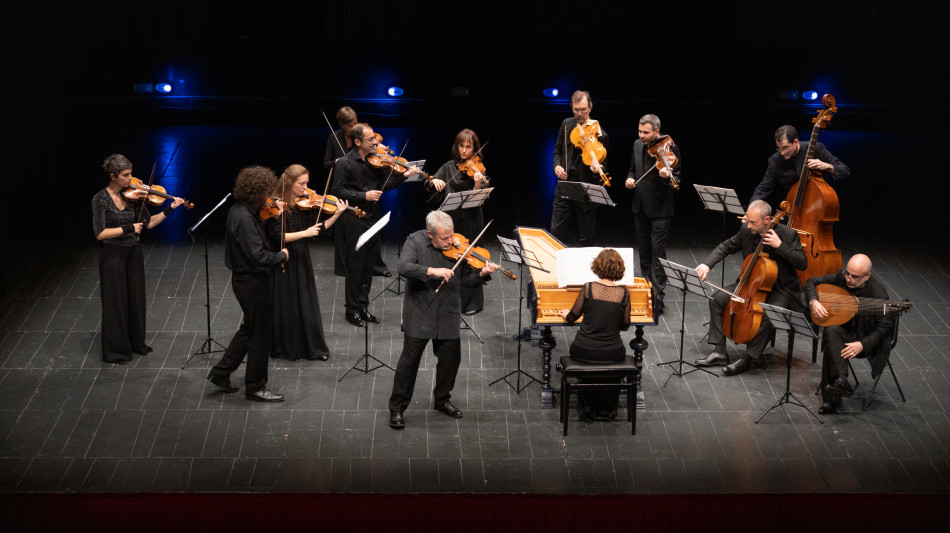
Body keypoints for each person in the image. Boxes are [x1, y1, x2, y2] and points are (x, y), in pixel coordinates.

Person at [388, 210, 499, 428]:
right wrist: (432, 271)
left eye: (451, 236)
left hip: (448, 311)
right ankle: (397, 408)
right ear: (430, 234)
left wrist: (483, 274)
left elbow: (466, 280)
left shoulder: (457, 245)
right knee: (408, 363)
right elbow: (403, 267)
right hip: (420, 311)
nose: (450, 242)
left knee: (450, 361)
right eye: (444, 238)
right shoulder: (415, 241)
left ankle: (442, 400)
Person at [693, 200, 807, 373]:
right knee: (716, 299)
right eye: (748, 220)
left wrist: (780, 246)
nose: (748, 225)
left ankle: (748, 359)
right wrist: (707, 264)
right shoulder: (747, 230)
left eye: (753, 222)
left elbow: (802, 263)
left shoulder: (787, 234)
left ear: (767, 220)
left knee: (771, 313)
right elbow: (726, 246)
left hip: (780, 289)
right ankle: (719, 352)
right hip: (751, 283)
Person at [331, 123, 428, 327]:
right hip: (354, 218)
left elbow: (385, 186)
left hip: (373, 218)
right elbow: (337, 191)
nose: (375, 142)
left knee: (369, 266)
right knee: (356, 266)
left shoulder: (375, 161)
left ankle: (362, 306)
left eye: (374, 138)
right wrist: (363, 195)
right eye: (371, 140)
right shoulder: (345, 163)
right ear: (358, 142)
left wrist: (403, 176)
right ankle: (351, 309)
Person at [92, 154, 185, 364]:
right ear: (113, 176)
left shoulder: (133, 197)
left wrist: (169, 209)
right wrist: (128, 228)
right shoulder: (100, 199)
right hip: (112, 255)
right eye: (126, 175)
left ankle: (136, 343)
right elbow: (100, 233)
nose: (132, 179)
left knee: (135, 299)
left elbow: (148, 223)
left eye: (130, 173)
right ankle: (116, 350)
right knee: (116, 302)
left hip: (133, 252)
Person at [207, 166, 289, 402]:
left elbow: (257, 237)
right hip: (252, 281)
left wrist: (271, 218)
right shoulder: (244, 218)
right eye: (267, 193)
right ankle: (255, 386)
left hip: (247, 280)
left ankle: (221, 373)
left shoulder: (241, 209)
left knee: (250, 329)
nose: (269, 198)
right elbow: (259, 256)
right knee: (259, 335)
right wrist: (281, 256)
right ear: (258, 192)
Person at [264, 164, 346, 361]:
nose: (306, 188)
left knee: (305, 301)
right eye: (301, 184)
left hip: (300, 255)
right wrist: (304, 233)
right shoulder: (276, 205)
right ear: (288, 183)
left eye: (306, 183)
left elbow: (317, 228)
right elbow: (277, 236)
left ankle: (311, 347)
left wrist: (336, 214)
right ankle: (287, 347)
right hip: (283, 257)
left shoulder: (304, 203)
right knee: (287, 303)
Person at [805, 254, 895, 414]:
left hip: (867, 339)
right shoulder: (843, 276)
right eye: (847, 273)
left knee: (832, 345)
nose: (848, 279)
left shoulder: (878, 293)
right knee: (831, 331)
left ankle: (832, 397)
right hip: (847, 331)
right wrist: (814, 302)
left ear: (867, 276)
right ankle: (841, 381)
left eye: (854, 277)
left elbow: (885, 328)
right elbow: (811, 282)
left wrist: (862, 344)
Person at [557, 249, 631, 422]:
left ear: (597, 266)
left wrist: (568, 314)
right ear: (619, 268)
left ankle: (587, 409)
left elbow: (572, 317)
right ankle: (608, 410)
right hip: (612, 352)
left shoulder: (589, 288)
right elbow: (625, 326)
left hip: (583, 350)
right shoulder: (624, 293)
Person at [624, 114, 682, 315]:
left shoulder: (671, 148)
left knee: (658, 254)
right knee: (644, 252)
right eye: (639, 131)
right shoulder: (637, 145)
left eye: (646, 132)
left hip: (660, 210)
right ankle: (645, 290)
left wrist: (667, 177)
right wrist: (630, 179)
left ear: (657, 131)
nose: (641, 135)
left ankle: (658, 296)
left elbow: (676, 180)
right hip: (640, 206)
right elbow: (632, 170)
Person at [433, 128, 489, 315]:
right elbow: (431, 181)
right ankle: (450, 299)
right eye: (461, 146)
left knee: (472, 257)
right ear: (456, 147)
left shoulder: (477, 168)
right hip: (452, 219)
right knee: (451, 255)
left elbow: (480, 197)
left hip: (472, 218)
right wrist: (434, 182)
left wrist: (478, 182)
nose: (464, 150)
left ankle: (472, 302)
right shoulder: (448, 167)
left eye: (468, 147)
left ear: (474, 148)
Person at [551, 90, 607, 246]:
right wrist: (557, 165)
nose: (580, 114)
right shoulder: (566, 124)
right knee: (557, 232)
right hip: (565, 185)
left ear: (590, 108)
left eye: (583, 109)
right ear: (572, 108)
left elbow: (604, 166)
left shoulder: (601, 134)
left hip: (586, 189)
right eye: (576, 110)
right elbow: (557, 151)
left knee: (586, 237)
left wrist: (597, 170)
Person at [750, 124, 850, 206]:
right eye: (778, 148)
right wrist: (750, 210)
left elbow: (845, 171)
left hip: (816, 206)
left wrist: (827, 166)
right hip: (792, 208)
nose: (782, 152)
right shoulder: (775, 160)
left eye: (785, 148)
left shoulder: (815, 149)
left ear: (795, 142)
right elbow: (763, 188)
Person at [323, 106, 363, 277]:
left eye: (356, 123)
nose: (354, 127)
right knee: (340, 229)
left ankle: (357, 264)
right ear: (342, 124)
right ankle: (341, 267)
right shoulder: (334, 138)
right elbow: (326, 163)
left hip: (357, 185)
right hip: (340, 186)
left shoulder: (360, 136)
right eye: (350, 125)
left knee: (357, 227)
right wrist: (337, 161)